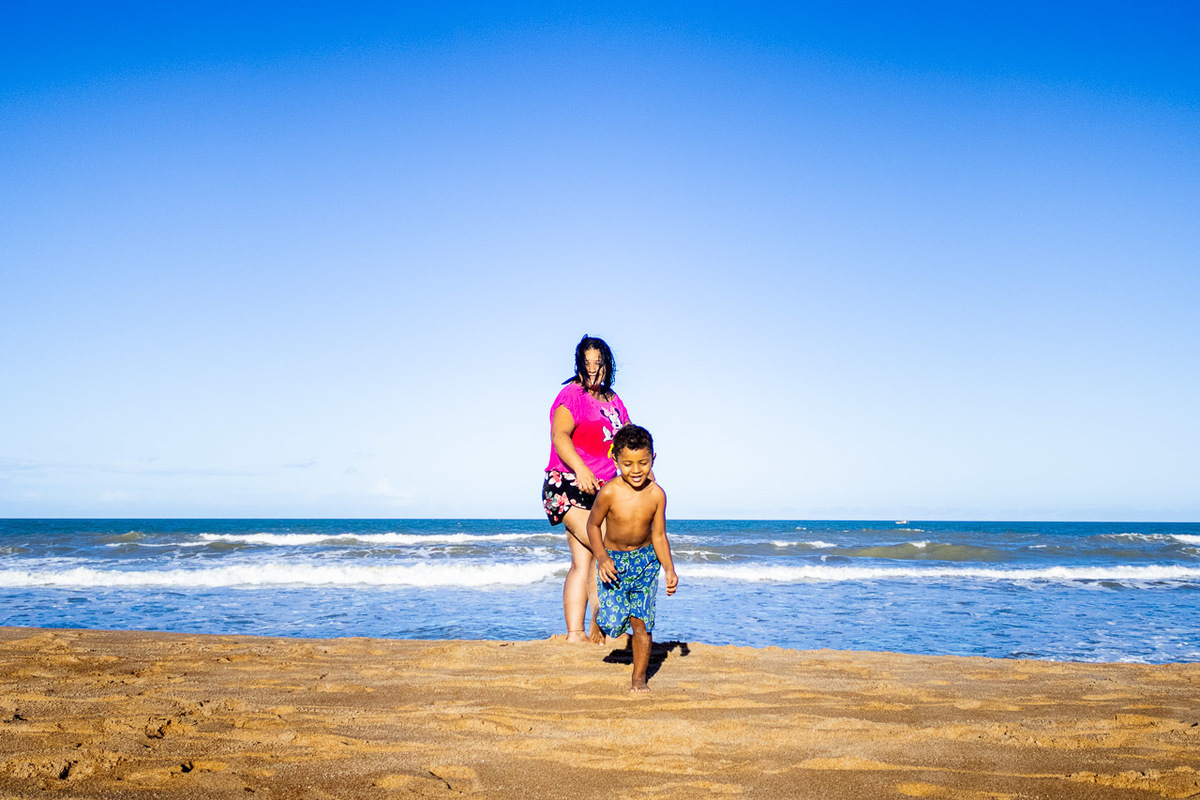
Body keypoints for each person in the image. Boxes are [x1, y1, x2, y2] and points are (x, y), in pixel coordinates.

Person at [542, 335, 631, 643]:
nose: (593, 370)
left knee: (583, 561)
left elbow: (626, 444)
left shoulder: (615, 401)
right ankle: (601, 623)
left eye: (599, 363)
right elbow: (560, 435)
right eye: (587, 363)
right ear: (579, 365)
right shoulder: (572, 395)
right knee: (602, 546)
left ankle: (575, 634)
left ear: (608, 365)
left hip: (602, 491)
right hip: (566, 484)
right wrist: (581, 468)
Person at [586, 424, 678, 693]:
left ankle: (638, 678)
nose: (636, 470)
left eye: (643, 463)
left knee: (642, 623)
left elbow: (659, 535)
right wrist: (601, 557)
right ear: (615, 459)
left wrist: (669, 569)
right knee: (614, 624)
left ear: (653, 459)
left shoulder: (657, 495)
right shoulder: (609, 492)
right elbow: (593, 526)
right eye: (627, 464)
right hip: (613, 562)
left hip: (646, 562)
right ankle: (599, 615)